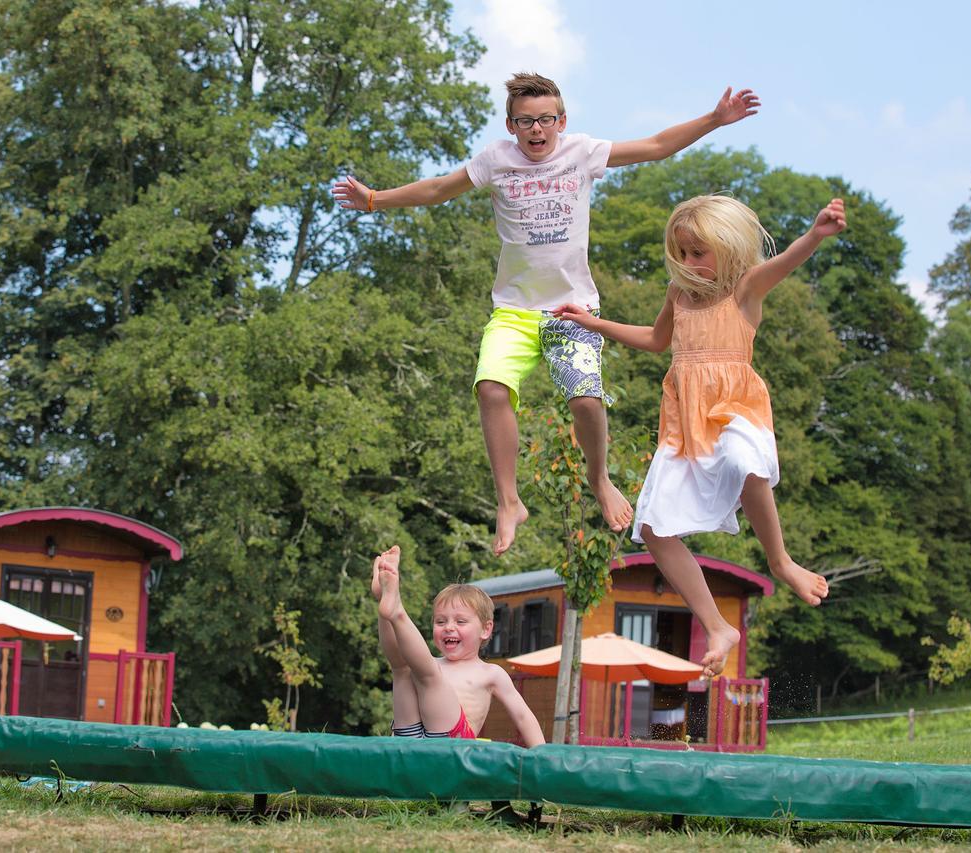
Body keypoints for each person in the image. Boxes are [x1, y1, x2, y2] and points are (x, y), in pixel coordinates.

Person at [334, 73, 760, 556]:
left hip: (572, 310)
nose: (537, 130)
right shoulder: (496, 160)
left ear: (561, 120)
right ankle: (509, 501)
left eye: (545, 120)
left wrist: (715, 119)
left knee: (584, 400)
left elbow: (657, 145)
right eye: (525, 122)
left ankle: (599, 480)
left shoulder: (580, 152)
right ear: (511, 125)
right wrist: (373, 200)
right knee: (491, 389)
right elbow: (437, 189)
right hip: (514, 311)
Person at [553, 196, 845, 676]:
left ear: (728, 250)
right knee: (651, 527)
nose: (688, 263)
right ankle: (716, 626)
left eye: (699, 253)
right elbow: (654, 339)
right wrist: (593, 323)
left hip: (734, 410)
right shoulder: (678, 294)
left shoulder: (746, 290)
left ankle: (781, 560)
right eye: (682, 253)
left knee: (744, 461)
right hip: (684, 426)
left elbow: (784, 262)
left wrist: (815, 235)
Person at [372, 545, 545, 746]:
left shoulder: (490, 672)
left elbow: (523, 716)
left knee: (428, 673)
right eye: (440, 622)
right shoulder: (427, 665)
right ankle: (387, 602)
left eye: (460, 622)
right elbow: (398, 658)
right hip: (409, 738)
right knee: (402, 669)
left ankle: (397, 611)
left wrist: (541, 755)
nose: (449, 628)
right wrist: (383, 603)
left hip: (454, 744)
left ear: (485, 629)